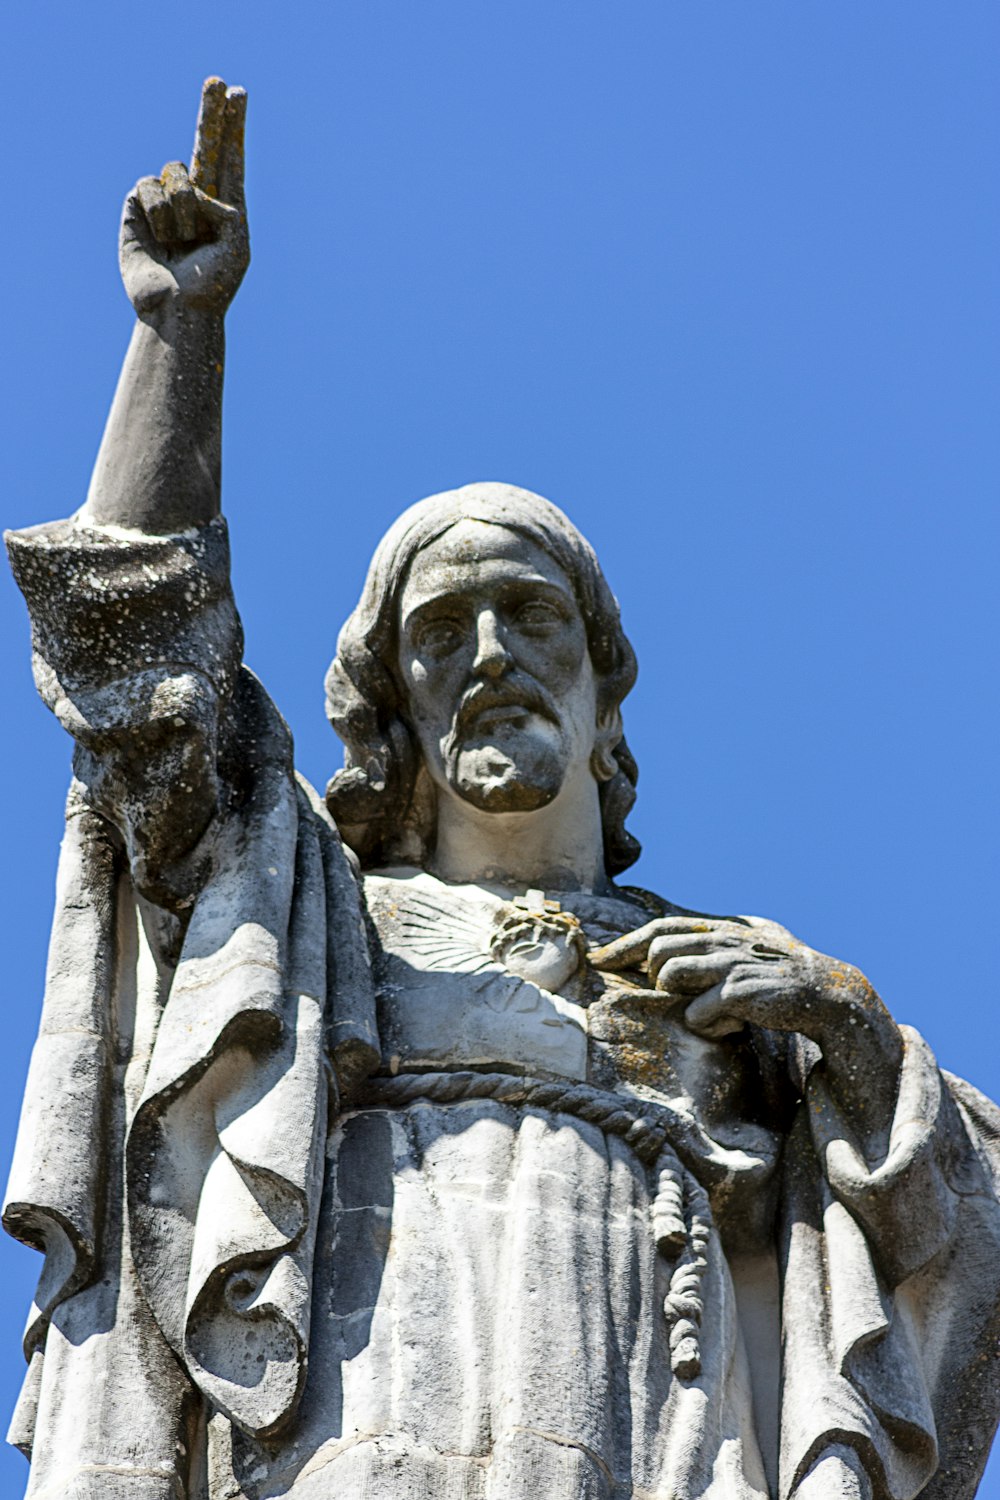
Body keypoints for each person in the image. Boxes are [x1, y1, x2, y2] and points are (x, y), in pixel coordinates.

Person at [5, 79, 1000, 1500]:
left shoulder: (745, 998)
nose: (486, 658)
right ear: (394, 711)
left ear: (604, 696)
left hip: (671, 1441)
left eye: (529, 618)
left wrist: (847, 1031)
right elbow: (135, 670)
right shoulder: (312, 923)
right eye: (439, 632)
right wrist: (181, 335)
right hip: (364, 1432)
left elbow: (964, 1251)